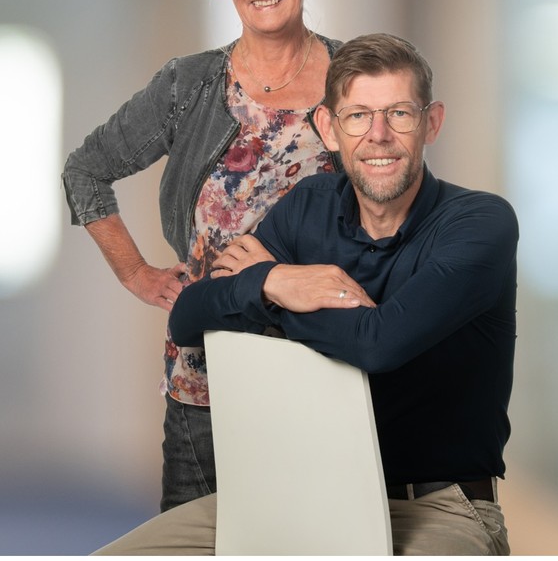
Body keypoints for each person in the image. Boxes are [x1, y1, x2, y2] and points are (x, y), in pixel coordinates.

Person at [91, 32, 518, 556]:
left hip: (436, 506)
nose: (379, 135)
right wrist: (276, 282)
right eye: (358, 116)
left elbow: (377, 346)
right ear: (329, 129)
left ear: (431, 123)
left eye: (399, 114)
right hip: (290, 494)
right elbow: (189, 319)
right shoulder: (309, 205)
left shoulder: (480, 222)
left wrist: (267, 300)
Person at [62, 0, 342, 512]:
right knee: (195, 545)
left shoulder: (357, 78)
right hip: (206, 383)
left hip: (329, 372)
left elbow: (395, 202)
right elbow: (85, 171)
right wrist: (135, 272)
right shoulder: (187, 85)